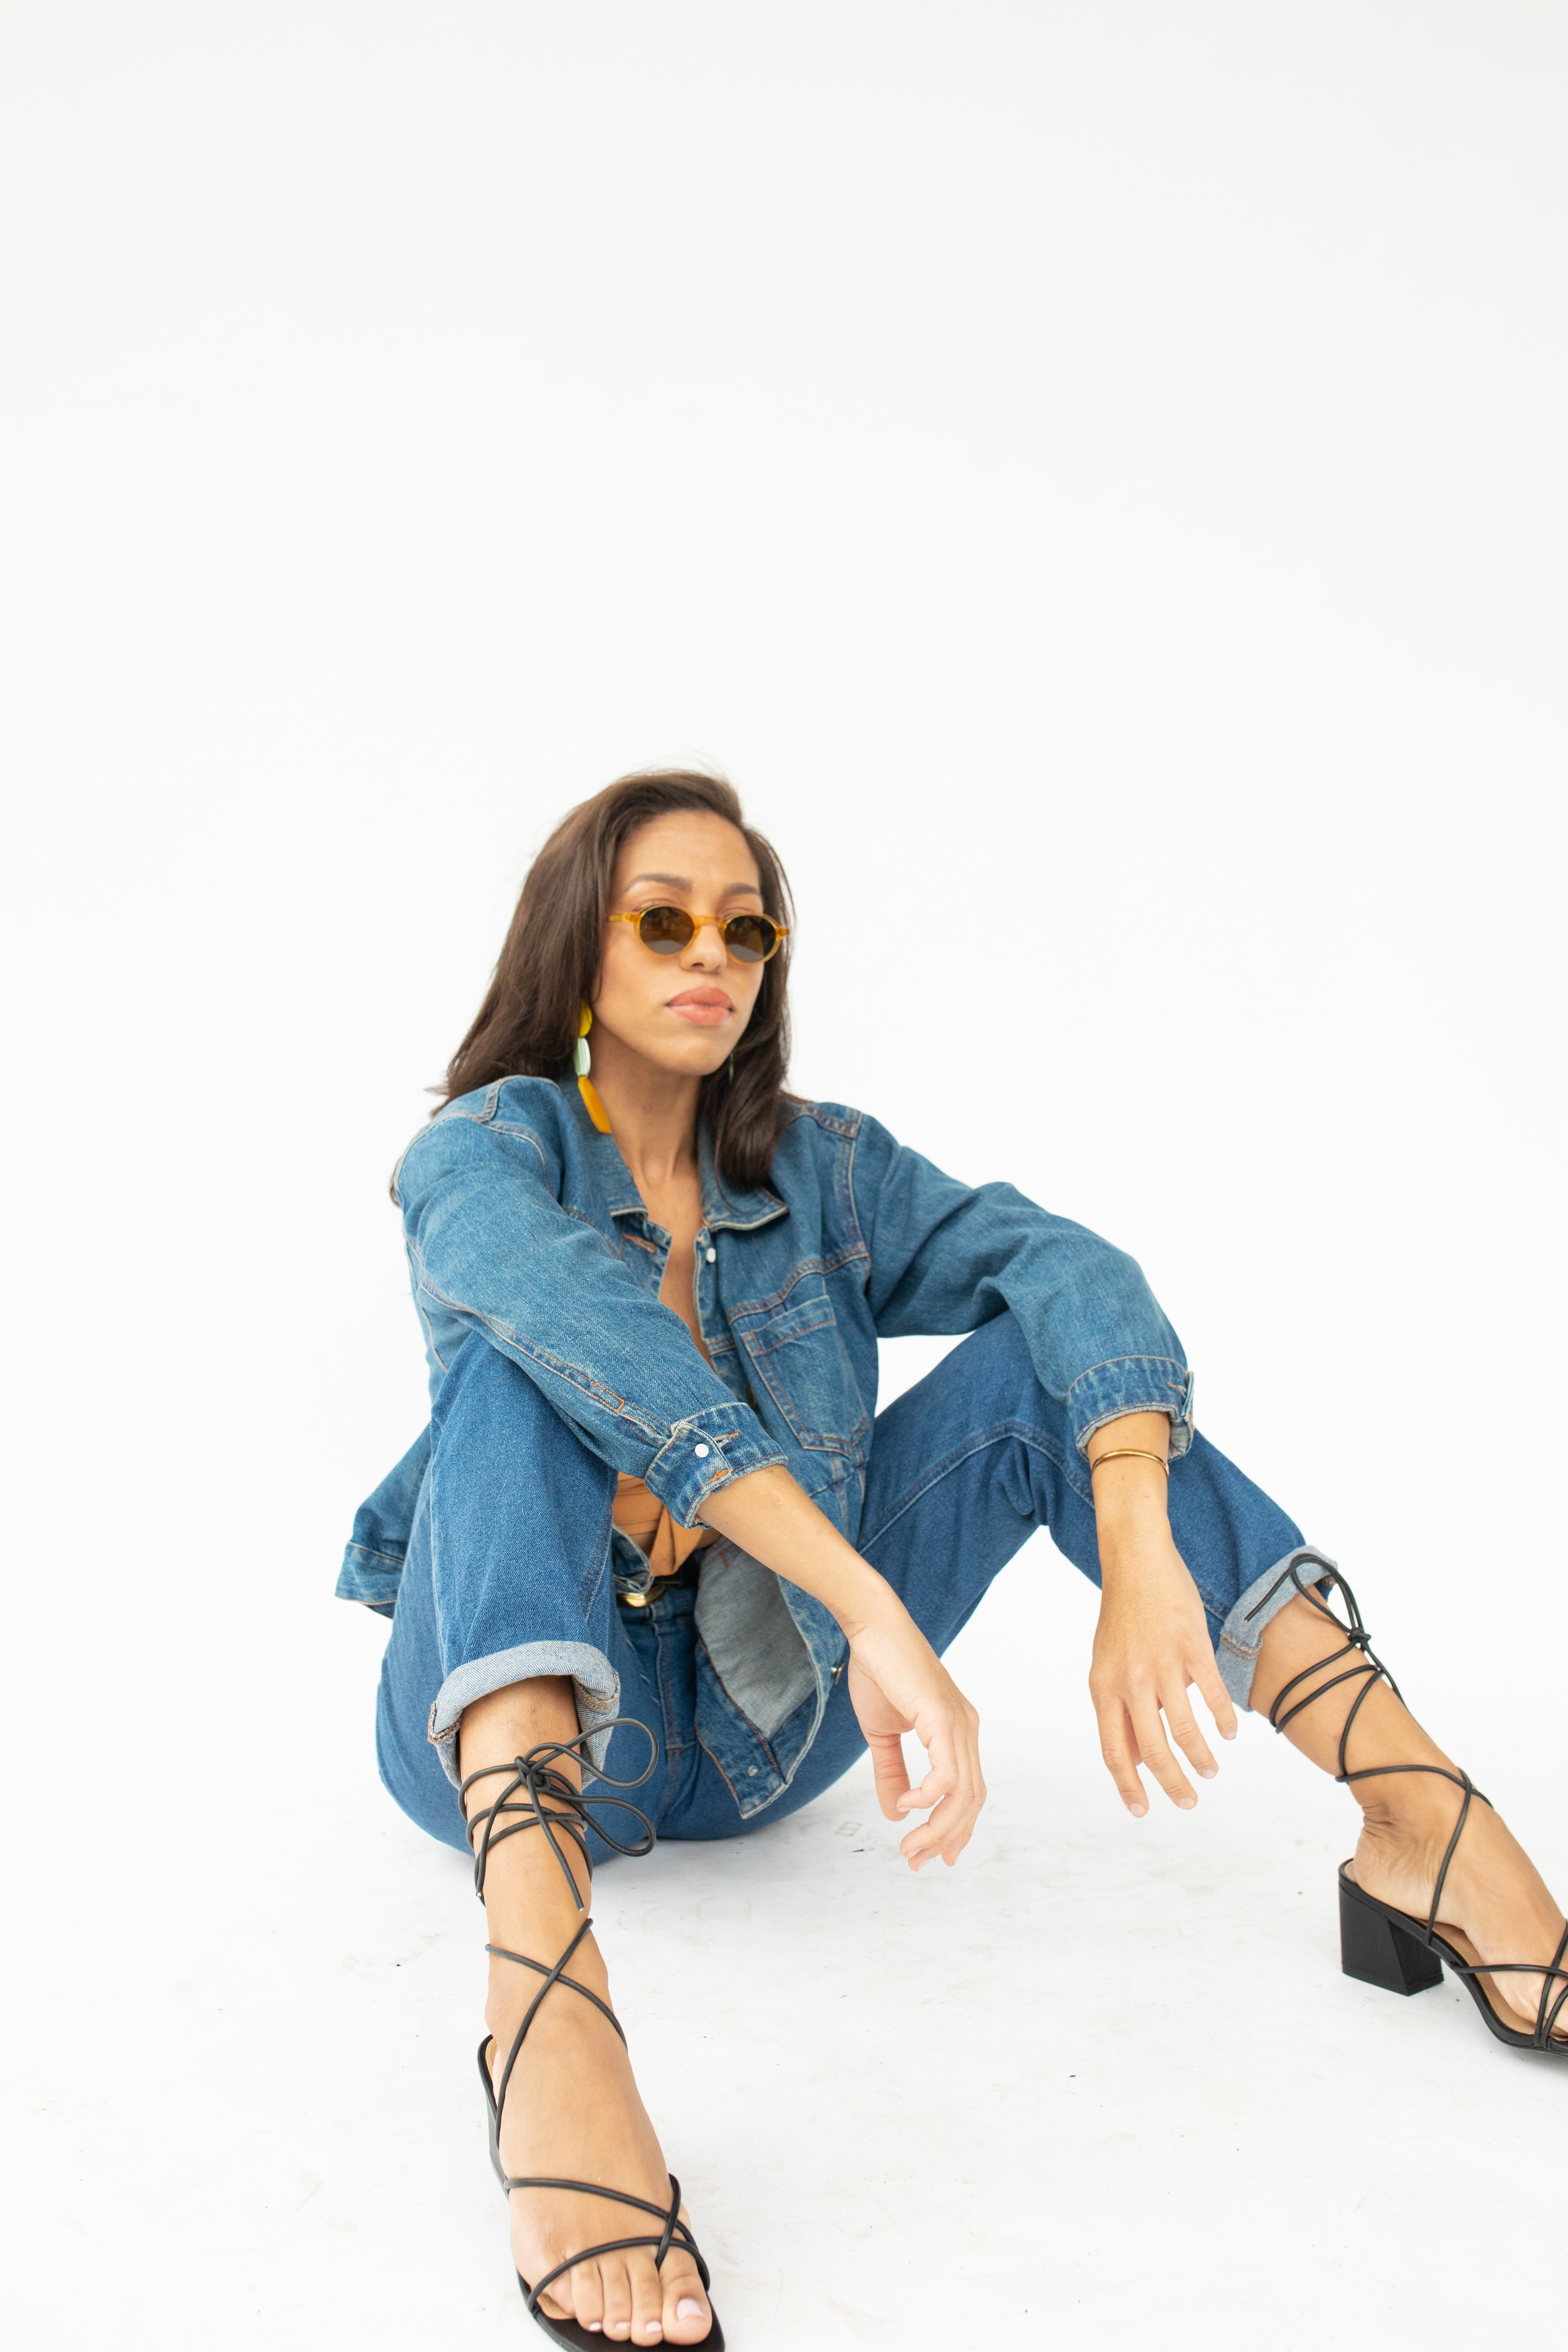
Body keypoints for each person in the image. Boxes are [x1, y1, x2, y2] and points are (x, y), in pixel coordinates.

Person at [342, 768, 1566, 2349]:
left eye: (744, 926)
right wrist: (871, 1607)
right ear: (582, 950)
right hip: (495, 1729)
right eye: (662, 920)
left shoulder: (818, 1171)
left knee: (1043, 1378)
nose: (708, 953)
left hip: (749, 1737)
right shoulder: (480, 1154)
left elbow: (1065, 1266)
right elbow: (614, 1365)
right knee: (518, 1374)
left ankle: (1416, 1817)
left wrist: (1134, 1540)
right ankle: (547, 2017)